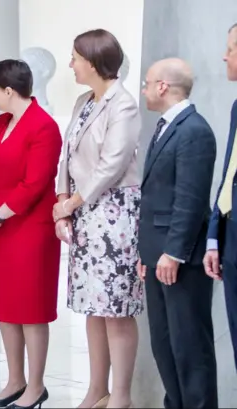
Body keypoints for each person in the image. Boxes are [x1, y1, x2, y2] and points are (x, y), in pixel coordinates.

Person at [53, 29, 142, 409]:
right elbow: (66, 156)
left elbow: (113, 163)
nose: (70, 64)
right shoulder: (82, 101)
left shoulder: (123, 104)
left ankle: (120, 396)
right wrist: (62, 200)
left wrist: (71, 202)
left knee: (116, 309)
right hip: (84, 212)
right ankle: (96, 390)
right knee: (94, 305)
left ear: (92, 62)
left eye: (74, 58)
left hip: (115, 214)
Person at [0, 59, 61, 409]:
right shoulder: (0, 123)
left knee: (31, 309)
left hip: (30, 230)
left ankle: (36, 386)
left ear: (9, 90)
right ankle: (14, 380)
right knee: (5, 308)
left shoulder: (44, 127)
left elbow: (35, 183)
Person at [139, 58, 218, 408]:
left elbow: (190, 197)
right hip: (157, 256)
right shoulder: (164, 127)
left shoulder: (194, 130)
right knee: (164, 346)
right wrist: (147, 255)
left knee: (189, 348)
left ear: (162, 86)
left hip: (180, 260)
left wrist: (173, 252)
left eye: (146, 83)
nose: (143, 90)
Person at [205, 22, 237, 377]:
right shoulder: (236, 107)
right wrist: (215, 236)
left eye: (231, 48)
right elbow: (229, 175)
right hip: (231, 238)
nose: (224, 56)